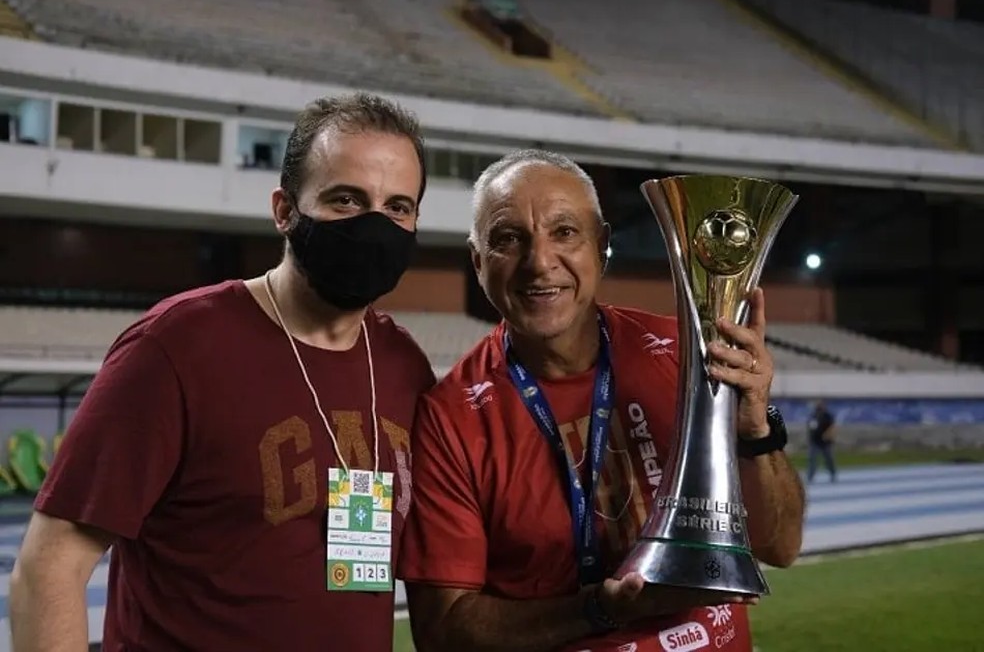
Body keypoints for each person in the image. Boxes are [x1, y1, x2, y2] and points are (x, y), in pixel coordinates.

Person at [10, 92, 436, 652]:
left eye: (397, 207)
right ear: (285, 211)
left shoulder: (405, 367)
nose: (375, 225)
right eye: (347, 200)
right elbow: (48, 570)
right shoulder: (175, 348)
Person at [397, 150, 806, 652]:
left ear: (602, 245)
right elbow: (443, 634)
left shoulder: (686, 354)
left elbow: (780, 546)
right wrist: (604, 608)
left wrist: (755, 433)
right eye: (508, 239)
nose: (539, 262)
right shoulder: (450, 418)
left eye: (564, 232)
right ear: (479, 261)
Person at [807, 400, 837, 483]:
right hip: (815, 442)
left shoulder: (828, 416)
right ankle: (810, 477)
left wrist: (828, 435)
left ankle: (833, 474)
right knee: (812, 459)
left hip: (825, 442)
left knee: (829, 459)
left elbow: (832, 427)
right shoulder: (813, 416)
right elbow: (810, 428)